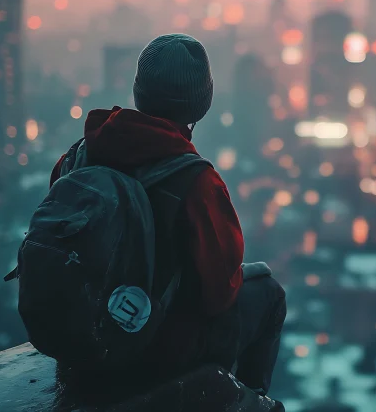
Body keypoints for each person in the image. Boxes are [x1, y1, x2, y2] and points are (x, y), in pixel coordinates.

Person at [48, 34, 286, 396]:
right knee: (269, 293)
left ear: (138, 93)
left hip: (82, 339)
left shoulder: (77, 158)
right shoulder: (195, 182)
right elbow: (219, 294)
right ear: (201, 104)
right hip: (151, 352)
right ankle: (247, 402)